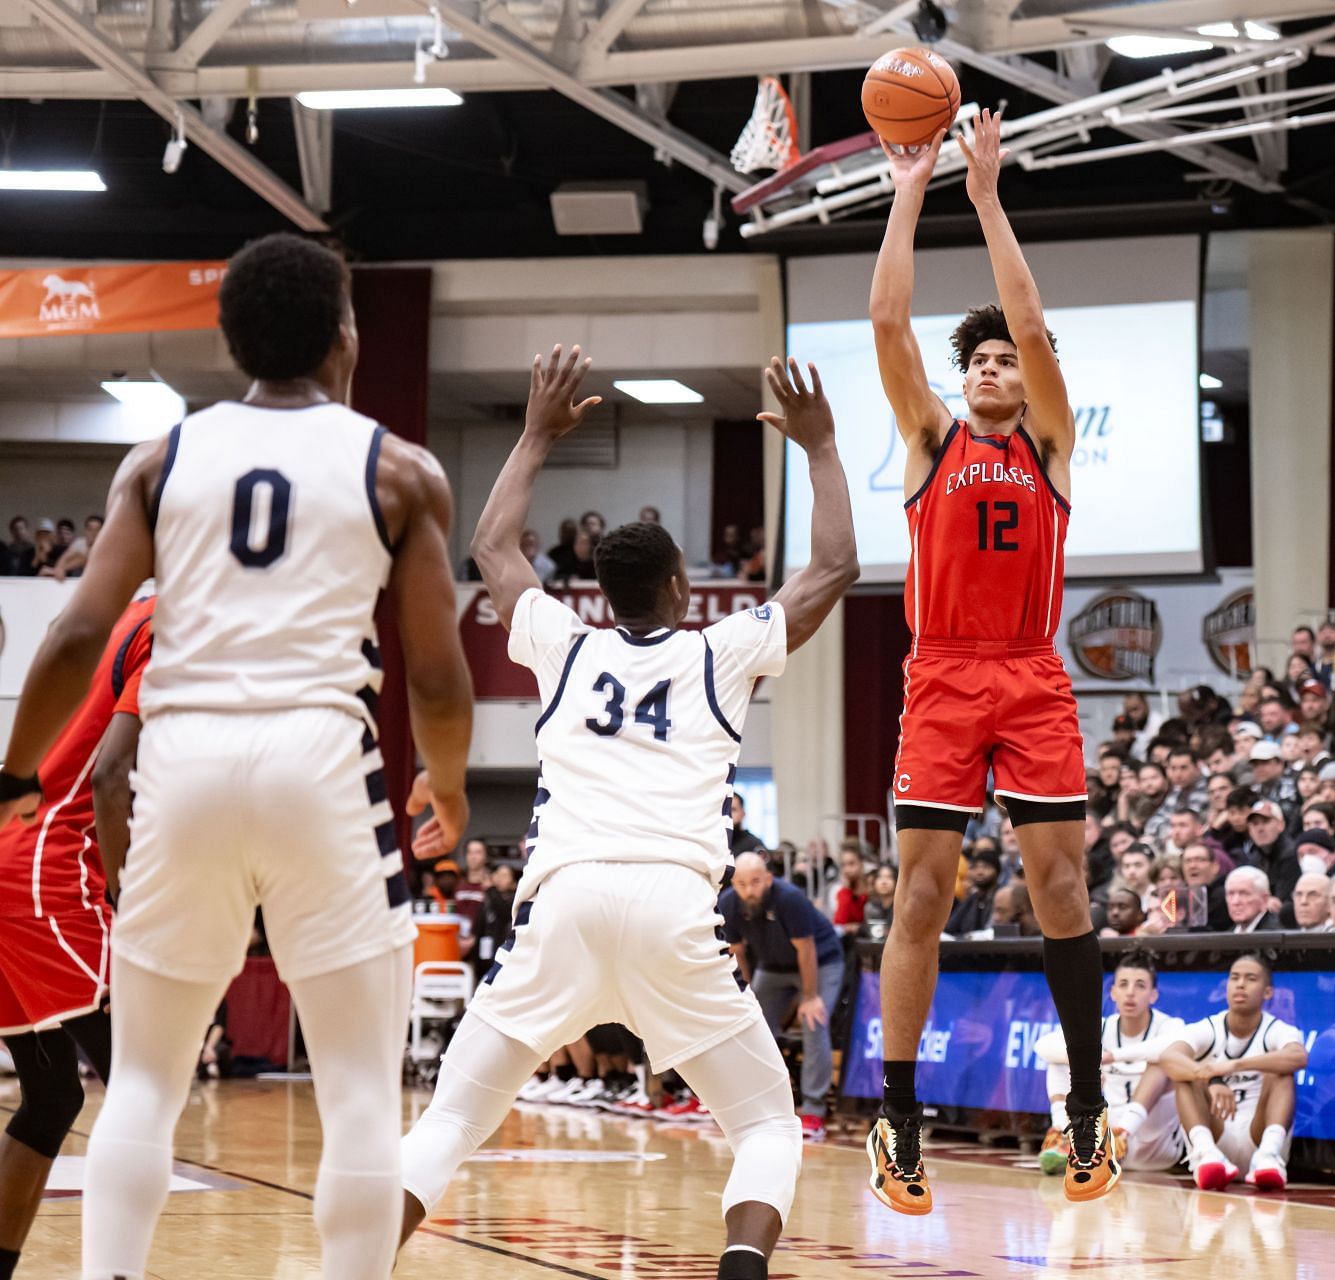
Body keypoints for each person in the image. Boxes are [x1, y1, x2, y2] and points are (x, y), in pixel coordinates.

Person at [0, 234, 476, 1280]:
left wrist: (14, 773)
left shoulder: (161, 460)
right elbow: (439, 680)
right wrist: (445, 783)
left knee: (145, 1077)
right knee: (355, 1083)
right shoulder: (399, 468)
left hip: (182, 765)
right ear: (347, 334)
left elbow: (77, 635)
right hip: (321, 760)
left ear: (227, 338)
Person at [393, 349, 858, 1280]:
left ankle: (355, 1264)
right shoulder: (720, 650)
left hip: (562, 901)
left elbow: (493, 550)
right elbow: (834, 565)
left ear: (603, 592)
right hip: (668, 904)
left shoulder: (562, 646)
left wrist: (533, 436)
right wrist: (820, 448)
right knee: (766, 1123)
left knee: (449, 1119)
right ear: (682, 588)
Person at [870, 109, 1113, 1211]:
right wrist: (911, 183)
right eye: (978, 359)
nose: (993, 365)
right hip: (942, 675)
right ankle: (900, 1110)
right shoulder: (933, 442)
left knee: (1061, 882)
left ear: (1031, 377)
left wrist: (984, 194)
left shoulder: (1048, 445)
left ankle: (1089, 1110)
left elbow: (1027, 312)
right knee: (921, 893)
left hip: (1029, 669)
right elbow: (887, 319)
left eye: (1008, 358)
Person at [0, 597, 148, 1278]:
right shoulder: (170, 624)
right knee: (147, 1085)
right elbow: (112, 776)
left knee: (54, 1093)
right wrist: (126, 902)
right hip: (49, 875)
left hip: (19, 862)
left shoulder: (127, 611)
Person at [721, 852, 846, 1141]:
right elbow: (738, 954)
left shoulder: (789, 898)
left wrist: (810, 996)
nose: (748, 890)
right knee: (751, 1025)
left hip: (821, 962)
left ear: (768, 878)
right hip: (773, 967)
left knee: (814, 1022)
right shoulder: (728, 903)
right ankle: (757, 1102)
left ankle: (814, 1110)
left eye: (755, 882)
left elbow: (807, 949)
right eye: (741, 883)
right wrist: (747, 995)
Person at [1155, 954, 1306, 1191]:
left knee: (1281, 1072)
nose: (1240, 984)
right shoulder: (1210, 1027)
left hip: (1257, 1134)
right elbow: (1168, 1057)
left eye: (1250, 978)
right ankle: (1205, 1153)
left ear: (1267, 992)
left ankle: (1269, 1155)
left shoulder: (1277, 1029)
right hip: (1218, 1131)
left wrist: (1235, 1065)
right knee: (1183, 1076)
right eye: (1234, 978)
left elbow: (1298, 1057)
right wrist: (1211, 1077)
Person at [1033, 953, 1187, 1177]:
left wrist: (1112, 1056)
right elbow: (1042, 1046)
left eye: (1140, 985)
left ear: (1153, 995)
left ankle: (1122, 1135)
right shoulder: (1102, 1026)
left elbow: (1173, 1046)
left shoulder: (1170, 1026)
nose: (1130, 992)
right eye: (1123, 985)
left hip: (1151, 1142)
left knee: (1163, 1060)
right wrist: (1087, 1063)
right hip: (1104, 1136)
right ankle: (1062, 1135)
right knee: (1061, 1058)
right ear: (1113, 993)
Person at [1222, 866, 1281, 933]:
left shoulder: (1276, 935)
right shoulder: (1228, 935)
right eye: (1231, 894)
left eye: (1244, 894)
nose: (1235, 902)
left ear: (1264, 899)